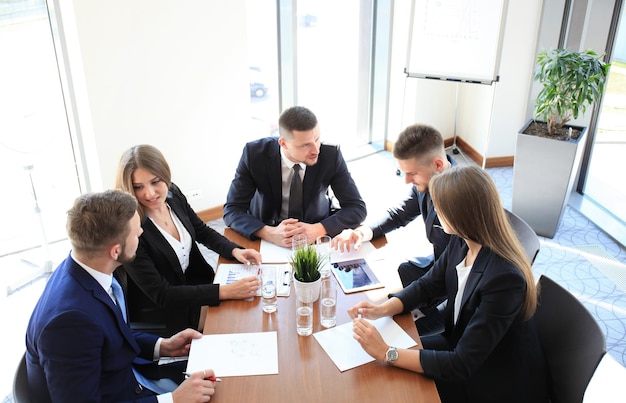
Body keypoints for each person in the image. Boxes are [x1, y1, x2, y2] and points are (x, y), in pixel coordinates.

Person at [348, 165, 548, 403]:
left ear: (460, 216)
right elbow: (428, 285)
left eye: (439, 208)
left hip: (491, 380)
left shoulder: (505, 279)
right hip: (460, 347)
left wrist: (386, 352)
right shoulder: (462, 241)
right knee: (375, 369)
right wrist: (384, 308)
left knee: (390, 383)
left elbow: (461, 364)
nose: (434, 213)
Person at [26, 190, 218, 402]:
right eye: (137, 233)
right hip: (124, 393)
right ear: (115, 251)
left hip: (132, 375)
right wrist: (173, 400)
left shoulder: (89, 266)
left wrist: (162, 346)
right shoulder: (68, 323)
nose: (142, 234)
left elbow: (109, 334)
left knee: (222, 369)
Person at [116, 145, 262, 336]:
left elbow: (200, 230)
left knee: (253, 308)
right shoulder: (131, 229)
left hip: (194, 286)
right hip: (164, 308)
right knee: (239, 323)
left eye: (155, 182)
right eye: (138, 187)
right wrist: (224, 292)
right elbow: (162, 294)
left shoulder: (172, 195)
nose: (150, 193)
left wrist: (234, 250)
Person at [223, 106, 367, 247]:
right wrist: (269, 233)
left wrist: (319, 229)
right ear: (283, 143)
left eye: (317, 139)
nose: (316, 150)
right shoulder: (254, 154)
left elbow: (357, 207)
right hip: (267, 233)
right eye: (305, 145)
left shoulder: (331, 154)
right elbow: (232, 209)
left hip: (316, 232)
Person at [332, 123, 455, 288]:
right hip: (440, 261)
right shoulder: (430, 178)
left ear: (438, 165)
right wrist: (362, 232)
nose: (406, 181)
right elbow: (400, 214)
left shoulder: (461, 198)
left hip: (457, 276)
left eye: (412, 173)